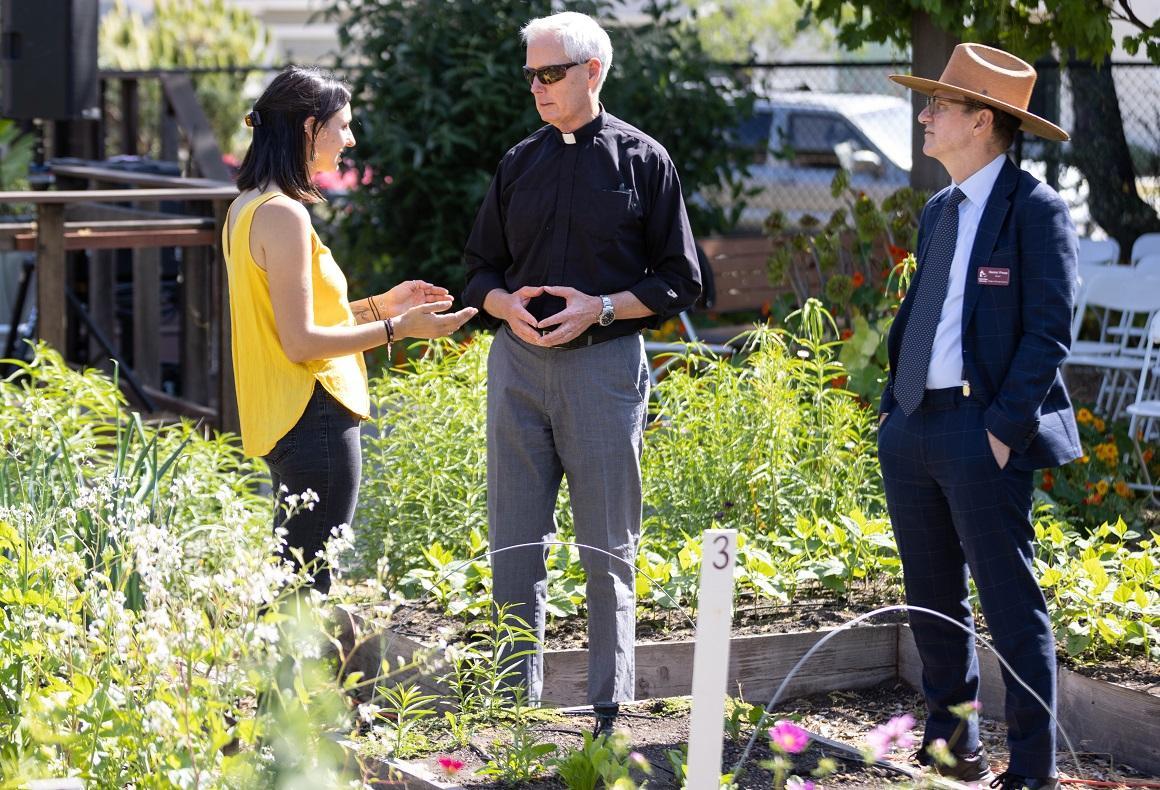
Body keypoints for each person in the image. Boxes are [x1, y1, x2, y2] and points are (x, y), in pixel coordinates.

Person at [462, 12, 701, 734]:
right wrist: (504, 306)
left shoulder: (645, 161)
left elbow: (681, 281)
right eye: (530, 73)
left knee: (607, 547)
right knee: (512, 542)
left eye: (550, 72)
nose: (535, 85)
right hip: (517, 370)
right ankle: (510, 714)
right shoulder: (519, 161)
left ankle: (610, 711)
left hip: (603, 371)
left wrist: (598, 309)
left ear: (592, 71)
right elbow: (479, 270)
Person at [878, 44, 1082, 790]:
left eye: (939, 105)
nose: (925, 115)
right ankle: (951, 750)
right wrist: (891, 414)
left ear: (982, 120)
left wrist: (1000, 430)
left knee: (1009, 604)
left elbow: (1049, 332)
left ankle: (1032, 772)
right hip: (913, 429)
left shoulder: (1035, 210)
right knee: (932, 606)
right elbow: (920, 318)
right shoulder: (939, 210)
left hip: (980, 433)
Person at [225, 66, 475, 594]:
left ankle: (273, 678)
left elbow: (295, 321)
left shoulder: (246, 208)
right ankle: (288, 681)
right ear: (309, 129)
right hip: (314, 415)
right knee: (305, 589)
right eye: (343, 125)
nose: (351, 138)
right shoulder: (285, 216)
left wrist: (380, 305)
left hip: (289, 418)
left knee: (292, 582)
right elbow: (301, 342)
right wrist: (397, 327)